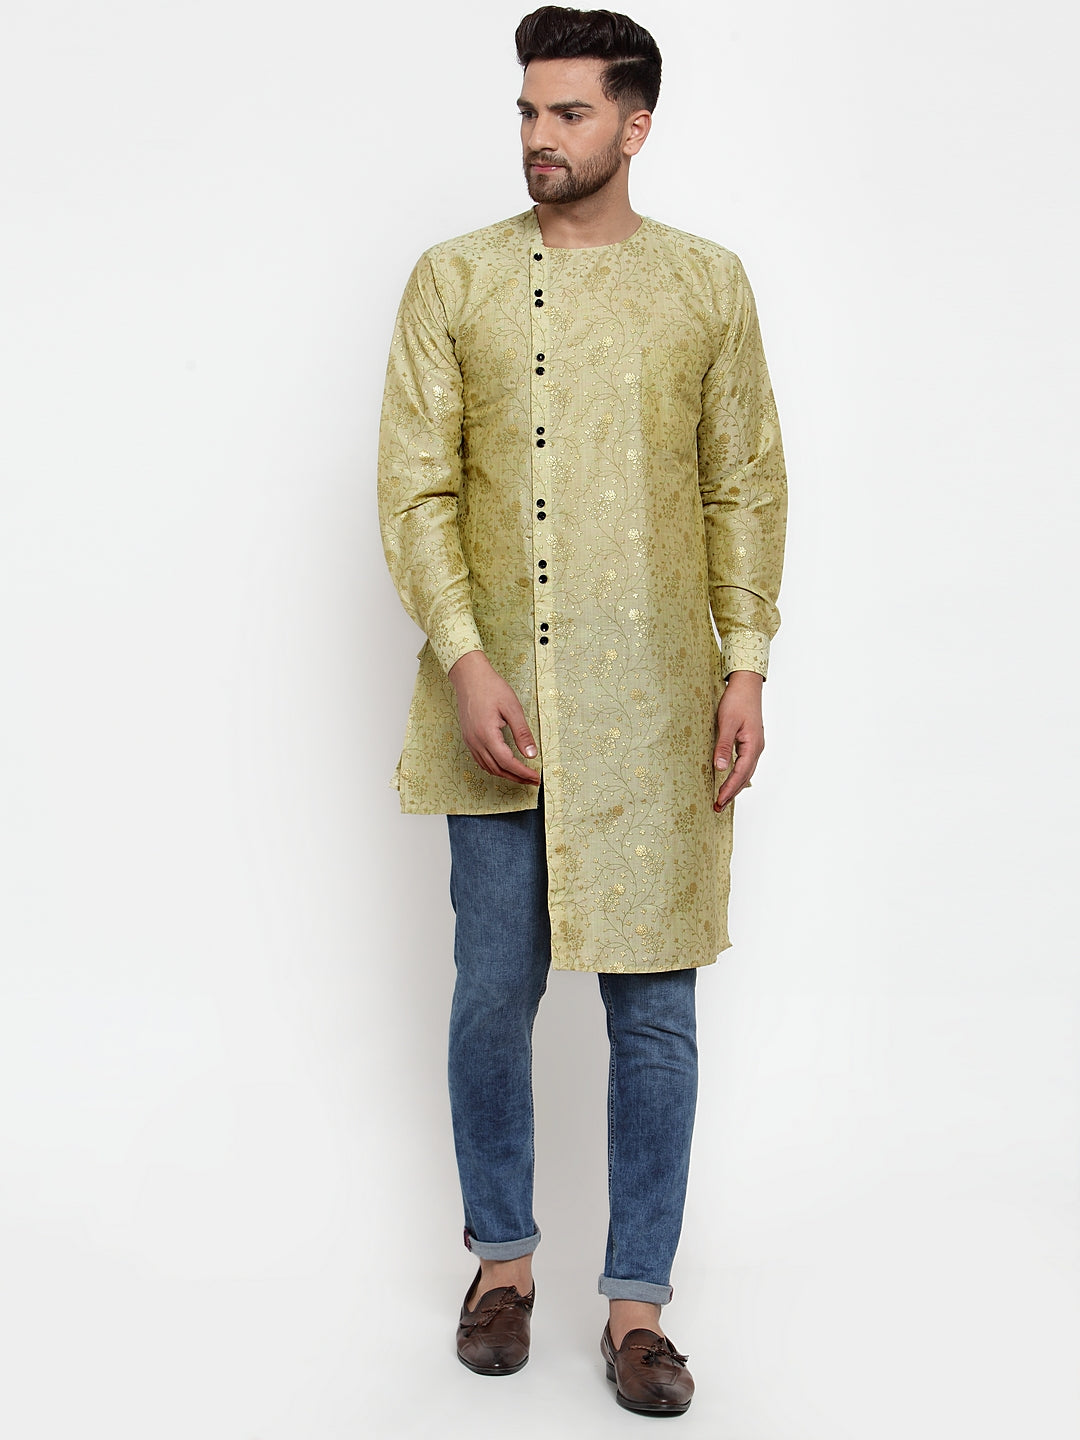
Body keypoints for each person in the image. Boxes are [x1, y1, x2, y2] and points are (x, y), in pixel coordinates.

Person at [377, 5, 787, 1417]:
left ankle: (636, 1310)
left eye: (569, 113)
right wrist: (463, 656)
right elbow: (418, 488)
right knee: (493, 995)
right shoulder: (455, 280)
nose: (539, 137)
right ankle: (501, 1268)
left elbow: (743, 482)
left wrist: (747, 663)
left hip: (661, 708)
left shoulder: (707, 285)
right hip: (500, 710)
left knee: (655, 1015)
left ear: (636, 123)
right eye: (527, 111)